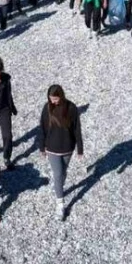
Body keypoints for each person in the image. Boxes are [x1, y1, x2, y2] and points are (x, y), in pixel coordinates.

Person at [37, 85, 83, 221]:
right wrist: (41, 146)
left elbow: (77, 129)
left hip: (68, 148)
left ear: (61, 96)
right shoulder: (47, 108)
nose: (53, 102)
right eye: (51, 99)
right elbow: (42, 128)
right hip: (52, 148)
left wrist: (80, 149)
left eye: (55, 99)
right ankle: (60, 205)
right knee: (57, 174)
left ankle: (59, 189)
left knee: (63, 173)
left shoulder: (72, 108)